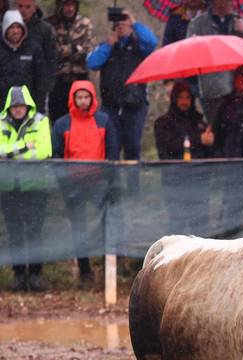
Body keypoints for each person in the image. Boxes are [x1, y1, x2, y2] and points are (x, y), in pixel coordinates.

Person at [50, 80, 117, 287]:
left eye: (86, 97)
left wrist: (109, 180)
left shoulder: (104, 120)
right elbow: (58, 156)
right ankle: (84, 268)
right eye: (79, 97)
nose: (82, 101)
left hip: (99, 182)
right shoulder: (62, 124)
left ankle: (109, 268)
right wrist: (65, 182)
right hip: (74, 183)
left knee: (108, 223)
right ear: (73, 99)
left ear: (92, 98)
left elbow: (112, 151)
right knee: (78, 227)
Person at [86, 8, 157, 160]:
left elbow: (152, 43)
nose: (120, 26)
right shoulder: (107, 47)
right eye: (117, 23)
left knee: (132, 147)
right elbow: (92, 63)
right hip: (111, 105)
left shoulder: (139, 45)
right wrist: (108, 46)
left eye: (124, 22)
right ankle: (113, 184)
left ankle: (133, 183)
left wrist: (134, 22)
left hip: (135, 104)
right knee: (111, 148)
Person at [0, 85, 51, 292]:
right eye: (15, 106)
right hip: (9, 187)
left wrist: (10, 153)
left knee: (35, 231)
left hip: (36, 186)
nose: (18, 109)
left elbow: (43, 152)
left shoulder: (41, 121)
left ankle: (36, 274)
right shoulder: (1, 122)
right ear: (9, 107)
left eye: (21, 105)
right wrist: (24, 147)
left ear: (27, 105)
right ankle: (19, 274)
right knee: (14, 232)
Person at [186, 0, 243, 122]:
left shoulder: (239, 21)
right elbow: (189, 53)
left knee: (238, 130)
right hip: (212, 89)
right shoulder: (198, 24)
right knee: (216, 130)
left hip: (238, 87)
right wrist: (195, 43)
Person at [47, 0, 93, 122]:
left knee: (81, 119)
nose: (70, 9)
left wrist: (68, 51)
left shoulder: (84, 23)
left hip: (80, 78)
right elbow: (53, 53)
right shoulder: (51, 25)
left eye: (73, 5)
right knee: (58, 121)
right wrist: (73, 48)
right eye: (67, 5)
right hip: (58, 80)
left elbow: (87, 52)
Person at [1, 10, 47, 116]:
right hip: (3, 106)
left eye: (18, 27)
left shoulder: (33, 48)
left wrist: (39, 107)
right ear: (5, 29)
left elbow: (40, 80)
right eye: (12, 27)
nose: (15, 31)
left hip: (28, 105)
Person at [154, 80, 213, 159]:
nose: (184, 102)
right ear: (174, 99)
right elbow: (170, 146)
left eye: (188, 98)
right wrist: (199, 140)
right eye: (180, 97)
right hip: (176, 168)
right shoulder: (163, 123)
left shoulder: (198, 121)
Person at [15, 0, 55, 113]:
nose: (23, 10)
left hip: (37, 85)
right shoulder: (7, 28)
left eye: (28, 7)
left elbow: (51, 59)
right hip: (12, 83)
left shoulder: (44, 29)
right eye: (20, 6)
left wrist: (47, 86)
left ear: (34, 8)